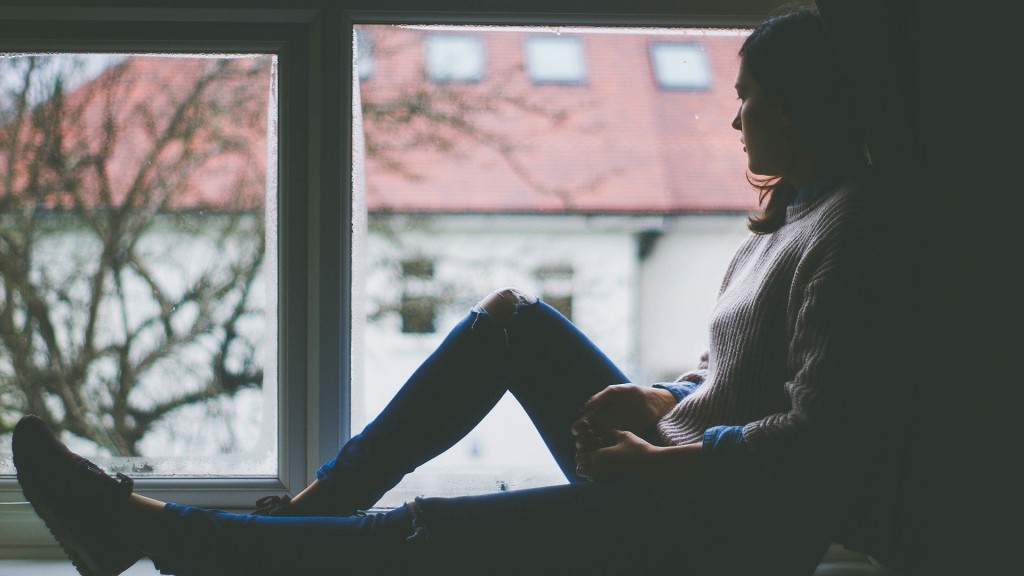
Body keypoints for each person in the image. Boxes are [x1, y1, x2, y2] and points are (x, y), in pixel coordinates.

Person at [11, 7, 891, 576]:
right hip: (677, 481)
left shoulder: (848, 230)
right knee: (513, 319)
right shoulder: (790, 217)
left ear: (801, 107)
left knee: (431, 531)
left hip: (719, 542)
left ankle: (153, 531)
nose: (736, 118)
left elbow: (823, 442)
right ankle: (312, 511)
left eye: (750, 99)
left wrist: (662, 459)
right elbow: (727, 374)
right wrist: (657, 395)